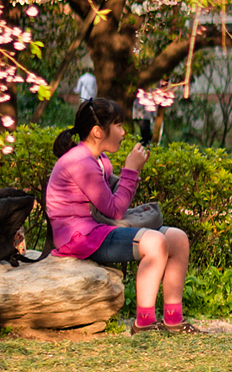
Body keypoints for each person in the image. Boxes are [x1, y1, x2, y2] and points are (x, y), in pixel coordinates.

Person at [46, 98, 198, 334]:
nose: (123, 132)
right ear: (98, 131)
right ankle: (145, 323)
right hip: (78, 238)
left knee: (177, 238)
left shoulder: (99, 159)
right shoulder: (79, 162)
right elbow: (115, 210)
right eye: (117, 125)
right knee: (155, 243)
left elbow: (111, 200)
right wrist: (131, 170)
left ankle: (173, 320)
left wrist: (130, 172)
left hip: (97, 229)